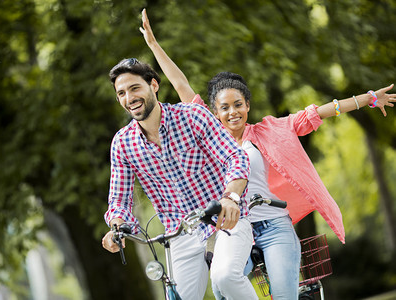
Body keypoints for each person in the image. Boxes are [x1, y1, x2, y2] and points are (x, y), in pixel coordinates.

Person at [139, 8, 396, 299]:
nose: (232, 112)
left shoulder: (271, 130)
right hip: (234, 229)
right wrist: (153, 46)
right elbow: (181, 85)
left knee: (285, 295)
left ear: (247, 105)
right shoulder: (210, 133)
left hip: (274, 226)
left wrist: (369, 99)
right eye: (224, 108)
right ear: (213, 113)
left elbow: (320, 112)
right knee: (223, 285)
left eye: (238, 104)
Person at [101, 56, 260, 299]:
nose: (129, 98)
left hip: (223, 219)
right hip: (180, 233)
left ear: (153, 85)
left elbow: (235, 158)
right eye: (121, 93)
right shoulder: (123, 144)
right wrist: (117, 228)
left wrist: (231, 198)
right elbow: (119, 201)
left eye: (135, 88)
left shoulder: (191, 116)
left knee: (225, 276)